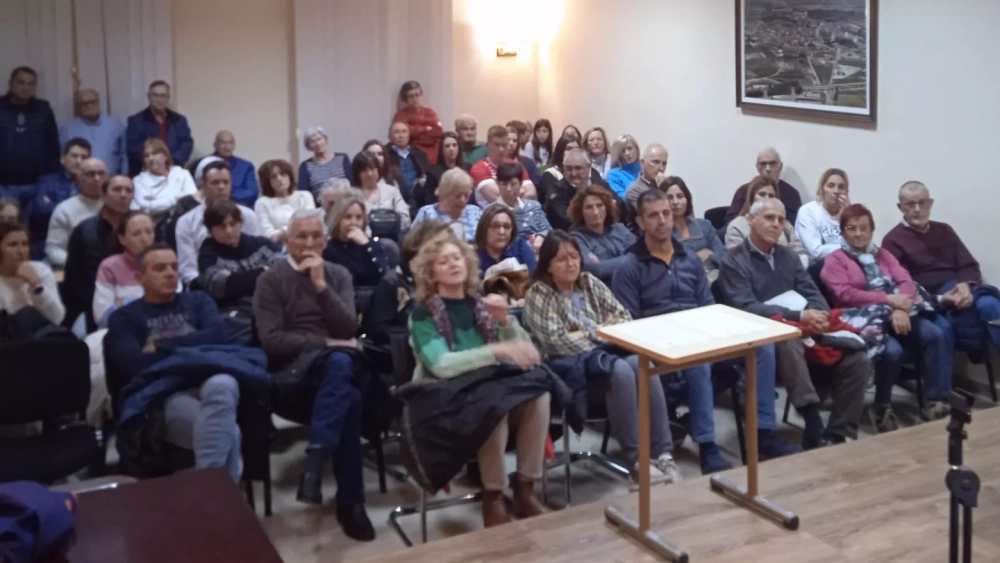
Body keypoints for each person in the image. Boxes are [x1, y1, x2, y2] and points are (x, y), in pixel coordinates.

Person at [613, 190, 799, 471]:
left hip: (701, 333)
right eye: (653, 215)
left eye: (666, 213)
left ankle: (763, 434)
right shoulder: (628, 267)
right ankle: (707, 445)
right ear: (640, 222)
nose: (662, 220)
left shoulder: (689, 258)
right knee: (697, 361)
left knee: (762, 345)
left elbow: (709, 307)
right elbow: (628, 325)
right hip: (660, 348)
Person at [407, 231, 553, 527]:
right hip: (443, 401)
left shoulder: (481, 305)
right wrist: (497, 350)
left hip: (488, 393)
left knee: (538, 395)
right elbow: (442, 366)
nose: (453, 264)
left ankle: (525, 487)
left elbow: (527, 353)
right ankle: (493, 495)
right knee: (490, 407)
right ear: (430, 273)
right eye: (443, 261)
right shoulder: (422, 314)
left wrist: (506, 322)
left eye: (457, 258)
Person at [252, 209, 375, 540]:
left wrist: (321, 286)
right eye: (301, 237)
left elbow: (348, 328)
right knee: (345, 379)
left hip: (334, 380)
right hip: (293, 379)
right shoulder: (270, 280)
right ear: (287, 241)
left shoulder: (338, 274)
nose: (309, 243)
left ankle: (317, 465)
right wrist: (327, 343)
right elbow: (272, 341)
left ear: (325, 239)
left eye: (315, 236)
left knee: (344, 379)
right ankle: (349, 500)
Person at [524, 231, 681, 481]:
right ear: (548, 265)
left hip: (604, 360)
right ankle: (637, 461)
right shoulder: (539, 294)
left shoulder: (589, 282)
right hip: (567, 374)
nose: (571, 263)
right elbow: (557, 342)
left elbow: (624, 319)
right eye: (562, 259)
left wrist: (586, 333)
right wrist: (602, 332)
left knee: (642, 364)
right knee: (620, 370)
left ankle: (663, 454)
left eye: (574, 256)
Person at [719, 198, 870, 449]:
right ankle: (812, 422)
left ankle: (839, 432)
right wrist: (799, 316)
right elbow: (747, 307)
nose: (776, 224)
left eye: (780, 220)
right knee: (788, 339)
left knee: (858, 359)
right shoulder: (734, 261)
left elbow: (813, 294)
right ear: (751, 220)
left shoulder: (788, 257)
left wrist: (819, 315)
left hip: (806, 331)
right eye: (769, 218)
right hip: (764, 341)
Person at [104, 244, 243, 480]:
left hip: (205, 380)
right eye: (160, 268)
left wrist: (163, 346)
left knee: (225, 382)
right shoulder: (124, 317)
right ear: (140, 277)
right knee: (230, 432)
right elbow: (133, 365)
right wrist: (196, 351)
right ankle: (217, 492)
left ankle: (211, 490)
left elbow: (219, 336)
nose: (170, 273)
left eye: (174, 267)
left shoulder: (198, 300)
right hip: (163, 394)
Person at [821, 203, 953, 426]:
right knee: (892, 351)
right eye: (851, 228)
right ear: (842, 231)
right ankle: (881, 406)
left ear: (872, 229)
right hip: (860, 319)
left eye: (864, 228)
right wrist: (888, 300)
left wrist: (900, 307)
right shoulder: (835, 260)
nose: (858, 233)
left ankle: (934, 401)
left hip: (896, 312)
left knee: (935, 334)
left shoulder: (883, 255)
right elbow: (845, 294)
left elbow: (905, 281)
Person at [882, 181, 1000, 350]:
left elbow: (968, 264)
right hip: (930, 301)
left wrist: (965, 285)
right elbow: (900, 285)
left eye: (922, 202)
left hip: (961, 291)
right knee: (941, 330)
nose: (917, 209)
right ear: (900, 207)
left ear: (930, 204)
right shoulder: (892, 240)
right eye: (910, 204)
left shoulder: (945, 230)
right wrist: (940, 298)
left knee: (990, 304)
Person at [198, 200, 283, 342]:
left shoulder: (261, 244)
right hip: (235, 314)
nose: (229, 231)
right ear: (210, 229)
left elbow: (285, 270)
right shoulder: (207, 255)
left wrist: (245, 280)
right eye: (221, 226)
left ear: (241, 223)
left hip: (273, 306)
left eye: (233, 224)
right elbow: (222, 286)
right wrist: (265, 271)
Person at [64, 174, 135, 332]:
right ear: (103, 194)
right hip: (95, 305)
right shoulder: (84, 230)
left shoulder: (143, 229)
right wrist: (103, 300)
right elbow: (73, 280)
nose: (123, 195)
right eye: (117, 189)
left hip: (138, 301)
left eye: (128, 190)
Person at [176, 161, 262, 286]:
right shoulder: (186, 222)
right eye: (215, 183)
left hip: (249, 283)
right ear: (202, 186)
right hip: (205, 286)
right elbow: (188, 269)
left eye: (226, 182)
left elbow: (259, 255)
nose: (221, 187)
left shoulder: (248, 216)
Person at [366, 220, 451, 345]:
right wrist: (421, 335)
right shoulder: (392, 282)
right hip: (407, 348)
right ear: (421, 245)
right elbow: (379, 331)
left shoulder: (451, 279)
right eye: (440, 245)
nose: (447, 250)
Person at [0, 67, 60, 204]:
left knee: (38, 218)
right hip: (4, 185)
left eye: (30, 84)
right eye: (21, 82)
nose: (25, 88)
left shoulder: (43, 109)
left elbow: (53, 144)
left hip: (38, 185)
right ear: (11, 84)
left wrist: (52, 178)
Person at [725, 175, 807, 267]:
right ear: (752, 198)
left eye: (771, 196)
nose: (767, 199)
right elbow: (737, 262)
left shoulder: (785, 224)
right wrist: (785, 254)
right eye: (762, 194)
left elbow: (802, 255)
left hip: (789, 273)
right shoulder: (737, 226)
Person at [30, 138, 90, 259]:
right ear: (63, 159)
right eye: (74, 156)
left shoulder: (93, 185)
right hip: (50, 238)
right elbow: (40, 208)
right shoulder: (47, 181)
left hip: (85, 242)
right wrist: (77, 210)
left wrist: (53, 203)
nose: (79, 161)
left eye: (84, 157)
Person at [93, 212, 154, 328]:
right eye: (136, 234)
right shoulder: (109, 266)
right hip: (123, 331)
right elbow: (102, 317)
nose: (144, 239)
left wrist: (123, 302)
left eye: (149, 232)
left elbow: (175, 307)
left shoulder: (166, 261)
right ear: (122, 239)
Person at [46, 157, 107, 268]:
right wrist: (78, 265)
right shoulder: (64, 209)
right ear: (79, 178)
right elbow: (54, 249)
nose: (97, 178)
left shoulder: (118, 206)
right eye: (90, 174)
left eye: (101, 174)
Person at [569, 185, 635, 285]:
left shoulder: (620, 229)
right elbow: (596, 269)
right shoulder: (577, 238)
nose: (595, 212)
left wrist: (606, 264)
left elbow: (641, 254)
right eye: (589, 207)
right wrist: (632, 259)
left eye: (599, 205)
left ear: (607, 207)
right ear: (580, 211)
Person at [0, 222, 64, 325]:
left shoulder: (41, 270)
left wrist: (36, 286)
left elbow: (57, 318)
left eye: (25, 244)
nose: (21, 251)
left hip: (40, 333)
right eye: (13, 245)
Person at [662, 176, 726, 279]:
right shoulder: (661, 234)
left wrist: (708, 260)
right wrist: (698, 257)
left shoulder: (705, 225)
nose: (675, 202)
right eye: (669, 197)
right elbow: (670, 268)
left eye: (680, 196)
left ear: (687, 199)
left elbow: (723, 255)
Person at [125, 81, 193, 176]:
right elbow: (134, 149)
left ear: (168, 98)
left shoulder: (179, 120)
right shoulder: (135, 121)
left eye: (163, 96)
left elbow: (186, 144)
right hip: (145, 172)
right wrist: (155, 163)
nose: (159, 99)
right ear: (149, 97)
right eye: (155, 95)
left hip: (174, 170)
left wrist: (170, 163)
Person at [545, 149, 623, 233]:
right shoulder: (556, 192)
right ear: (563, 169)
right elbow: (569, 221)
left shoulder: (597, 182)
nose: (573, 173)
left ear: (588, 167)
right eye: (569, 169)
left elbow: (620, 206)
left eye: (578, 168)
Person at [322, 195, 392, 287]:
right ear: (337, 220)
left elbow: (384, 277)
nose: (354, 223)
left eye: (359, 218)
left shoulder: (373, 245)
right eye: (347, 217)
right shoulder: (327, 248)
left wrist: (366, 245)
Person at [724, 148, 802, 225]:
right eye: (763, 164)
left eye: (773, 164)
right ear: (757, 167)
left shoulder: (791, 194)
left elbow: (794, 223)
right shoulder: (743, 190)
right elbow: (731, 220)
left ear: (780, 167)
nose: (768, 169)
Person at [60, 89, 127, 175]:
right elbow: (63, 157)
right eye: (84, 103)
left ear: (98, 102)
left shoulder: (115, 125)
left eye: (92, 102)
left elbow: (124, 155)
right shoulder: (67, 129)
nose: (89, 106)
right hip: (80, 179)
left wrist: (124, 176)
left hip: (110, 179)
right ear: (78, 107)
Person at [131, 139, 197, 222]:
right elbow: (146, 207)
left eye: (154, 153)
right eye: (146, 156)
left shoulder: (182, 174)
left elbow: (192, 199)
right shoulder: (138, 181)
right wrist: (175, 199)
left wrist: (157, 199)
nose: (150, 158)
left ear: (165, 156)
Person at [469, 125, 534, 208]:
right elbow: (497, 198)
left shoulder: (516, 165)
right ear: (487, 146)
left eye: (504, 145)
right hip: (491, 214)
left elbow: (532, 194)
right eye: (497, 145)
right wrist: (520, 191)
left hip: (520, 211)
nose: (501, 149)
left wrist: (510, 196)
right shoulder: (479, 168)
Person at [412, 168, 483, 243]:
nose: (463, 200)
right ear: (444, 193)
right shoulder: (426, 213)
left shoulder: (475, 211)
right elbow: (412, 244)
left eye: (466, 195)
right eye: (458, 196)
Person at [254, 159, 316, 242]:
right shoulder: (262, 203)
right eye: (274, 177)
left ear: (289, 176)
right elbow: (268, 235)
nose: (279, 179)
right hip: (278, 246)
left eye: (283, 174)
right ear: (268, 182)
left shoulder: (304, 196)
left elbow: (311, 223)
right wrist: (290, 230)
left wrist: (283, 232)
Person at [795, 168, 850, 261]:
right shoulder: (808, 211)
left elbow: (861, 244)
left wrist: (848, 219)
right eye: (831, 186)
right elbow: (816, 252)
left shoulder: (850, 213)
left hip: (847, 263)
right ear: (822, 189)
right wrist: (849, 247)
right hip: (817, 266)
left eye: (841, 187)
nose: (836, 191)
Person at [350, 152, 410, 229]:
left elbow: (405, 217)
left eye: (372, 169)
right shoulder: (351, 195)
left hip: (392, 233)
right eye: (364, 170)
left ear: (378, 170)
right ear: (357, 174)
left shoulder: (392, 191)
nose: (369, 173)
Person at [475, 204, 537, 277]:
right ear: (484, 229)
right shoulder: (474, 257)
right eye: (495, 226)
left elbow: (533, 279)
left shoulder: (521, 248)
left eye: (507, 227)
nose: (502, 232)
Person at [495, 162, 551, 242]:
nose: (509, 189)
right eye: (504, 184)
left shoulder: (534, 206)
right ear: (498, 184)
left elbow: (548, 230)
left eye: (513, 184)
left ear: (521, 184)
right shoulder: (492, 212)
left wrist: (541, 236)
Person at [392, 80, 444, 163]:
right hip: (413, 157)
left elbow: (438, 132)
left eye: (417, 95)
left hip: (434, 156)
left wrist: (415, 138)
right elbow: (403, 135)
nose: (415, 99)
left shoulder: (430, 112)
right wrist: (425, 129)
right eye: (411, 96)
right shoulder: (401, 115)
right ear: (405, 98)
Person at [385, 122, 431, 206]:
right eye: (397, 132)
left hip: (418, 198)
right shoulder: (386, 155)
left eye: (404, 132)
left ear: (409, 135)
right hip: (396, 198)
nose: (401, 136)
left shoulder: (419, 154)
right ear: (390, 136)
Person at [298, 126, 351, 198]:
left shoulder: (343, 158)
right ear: (308, 146)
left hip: (345, 201)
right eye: (312, 142)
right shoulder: (305, 166)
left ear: (325, 139)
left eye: (319, 139)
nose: (317, 143)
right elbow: (303, 193)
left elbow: (352, 183)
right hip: (319, 203)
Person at [211, 131, 258, 208]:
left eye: (230, 143)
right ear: (215, 145)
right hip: (211, 208)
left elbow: (252, 193)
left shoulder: (246, 166)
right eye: (223, 143)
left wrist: (227, 195)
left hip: (239, 208)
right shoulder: (203, 164)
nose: (227, 147)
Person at [420, 131, 465, 210]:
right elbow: (430, 200)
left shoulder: (467, 169)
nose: (451, 149)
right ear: (442, 150)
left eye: (454, 145)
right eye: (447, 146)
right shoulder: (433, 172)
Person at [538, 135, 582, 203]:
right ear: (561, 151)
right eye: (569, 149)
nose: (573, 152)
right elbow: (553, 202)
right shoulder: (550, 174)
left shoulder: (585, 172)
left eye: (576, 149)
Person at [624, 144, 668, 211]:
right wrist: (662, 189)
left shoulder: (669, 184)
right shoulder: (634, 191)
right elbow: (653, 214)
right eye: (656, 162)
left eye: (664, 164)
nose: (661, 168)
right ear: (642, 163)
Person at [505, 123, 542, 189]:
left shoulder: (528, 163)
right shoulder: (496, 162)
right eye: (508, 140)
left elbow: (537, 186)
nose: (511, 143)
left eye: (514, 141)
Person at [604, 134, 641, 199]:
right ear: (618, 154)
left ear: (637, 149)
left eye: (629, 148)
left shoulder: (644, 168)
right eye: (622, 151)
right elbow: (622, 198)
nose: (627, 153)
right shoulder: (614, 174)